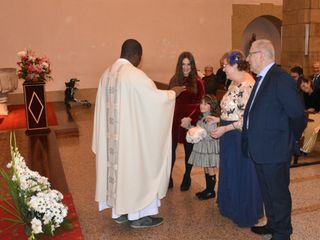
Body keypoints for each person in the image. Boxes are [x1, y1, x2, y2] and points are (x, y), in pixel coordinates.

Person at [92, 39, 185, 229]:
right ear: (136, 55)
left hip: (113, 142)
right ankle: (138, 215)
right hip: (129, 142)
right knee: (134, 170)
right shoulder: (134, 75)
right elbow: (153, 102)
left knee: (119, 171)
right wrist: (172, 94)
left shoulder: (107, 74)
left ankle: (120, 212)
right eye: (140, 58)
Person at [243, 39, 306, 240]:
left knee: (278, 195)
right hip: (261, 149)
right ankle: (272, 224)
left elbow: (297, 115)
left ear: (261, 55)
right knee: (267, 192)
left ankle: (283, 233)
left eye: (250, 54)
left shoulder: (280, 78)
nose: (247, 58)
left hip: (275, 149)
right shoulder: (262, 78)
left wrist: (289, 139)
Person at [209, 50, 264, 227]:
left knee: (241, 172)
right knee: (230, 170)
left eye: (225, 66)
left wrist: (224, 128)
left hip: (238, 135)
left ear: (235, 64)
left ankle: (244, 211)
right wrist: (219, 119)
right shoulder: (234, 81)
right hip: (229, 133)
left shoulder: (247, 85)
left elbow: (247, 119)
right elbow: (232, 110)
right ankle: (231, 206)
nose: (223, 69)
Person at [169, 51, 205, 191]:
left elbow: (200, 103)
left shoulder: (198, 81)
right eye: (183, 64)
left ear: (192, 65)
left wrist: (190, 117)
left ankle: (187, 176)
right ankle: (169, 176)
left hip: (190, 120)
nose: (185, 67)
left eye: (188, 64)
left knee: (189, 151)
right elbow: (168, 99)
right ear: (179, 65)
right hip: (175, 120)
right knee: (171, 150)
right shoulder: (174, 80)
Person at [182, 95, 220, 200]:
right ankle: (208, 189)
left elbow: (212, 134)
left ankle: (211, 191)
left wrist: (201, 134)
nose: (202, 106)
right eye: (201, 103)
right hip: (203, 146)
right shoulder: (202, 117)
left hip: (209, 147)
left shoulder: (211, 119)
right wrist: (189, 127)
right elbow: (198, 130)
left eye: (206, 104)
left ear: (212, 106)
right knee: (206, 168)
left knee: (210, 168)